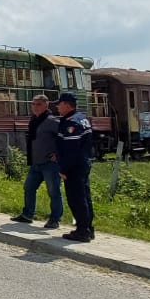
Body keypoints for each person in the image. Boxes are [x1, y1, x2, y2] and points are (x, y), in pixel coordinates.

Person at [12, 95, 64, 229]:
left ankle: (55, 219)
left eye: (38, 104)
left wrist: (58, 154)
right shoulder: (34, 119)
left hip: (50, 164)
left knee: (53, 191)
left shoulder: (52, 121)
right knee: (28, 187)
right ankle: (27, 214)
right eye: (33, 104)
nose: (35, 107)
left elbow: (65, 137)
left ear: (46, 105)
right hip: (36, 163)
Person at [55, 91, 95, 242]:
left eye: (59, 104)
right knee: (85, 196)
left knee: (76, 198)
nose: (58, 107)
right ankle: (88, 228)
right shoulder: (82, 118)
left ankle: (82, 230)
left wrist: (64, 169)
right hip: (84, 163)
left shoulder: (71, 123)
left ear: (66, 104)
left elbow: (70, 150)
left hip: (74, 167)